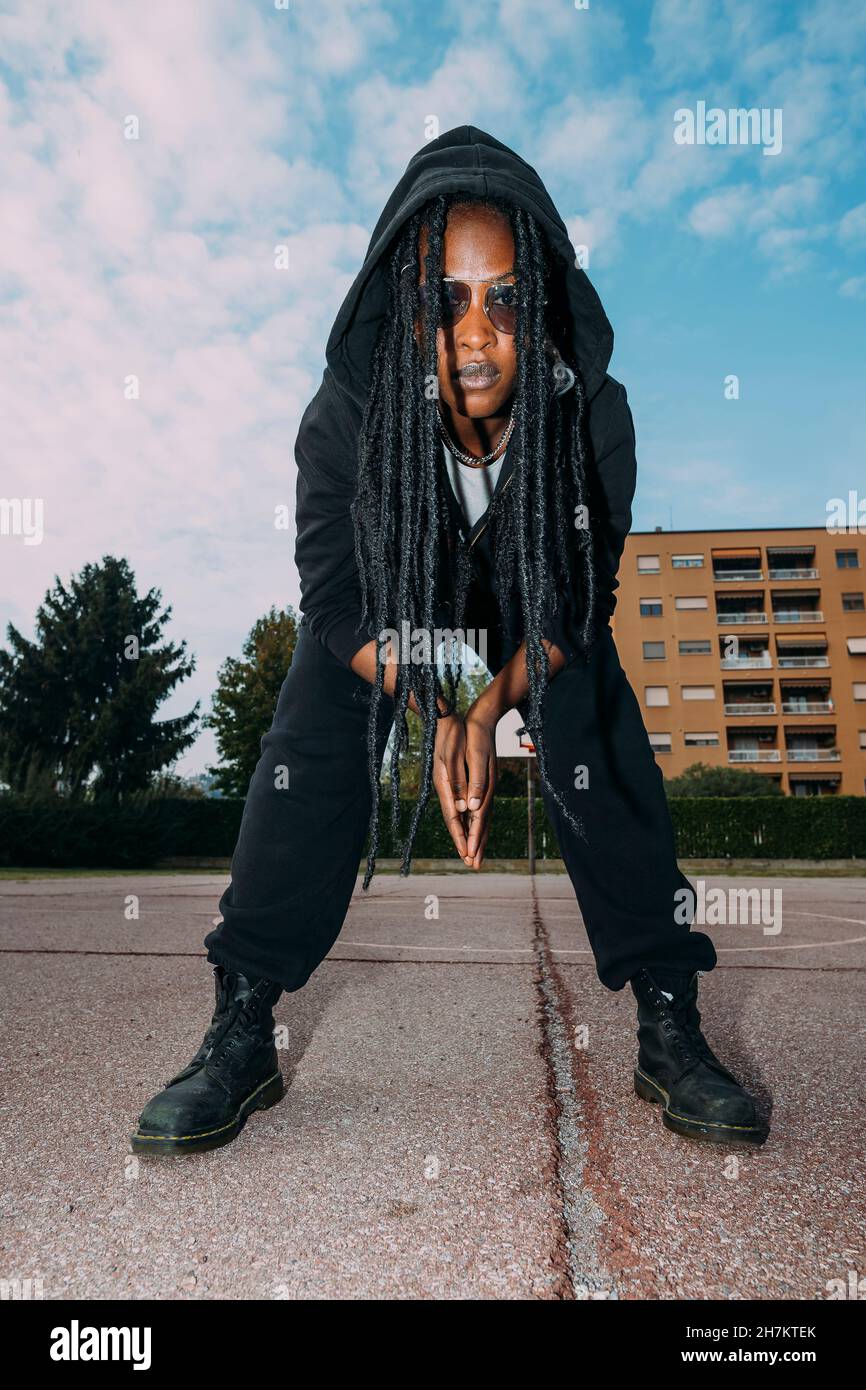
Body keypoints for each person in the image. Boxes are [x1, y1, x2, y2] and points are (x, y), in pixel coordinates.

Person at [131, 126, 766, 1155]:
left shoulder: (591, 418)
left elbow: (577, 607)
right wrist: (437, 697)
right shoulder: (346, 417)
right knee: (315, 708)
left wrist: (484, 704)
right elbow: (335, 607)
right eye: (446, 300)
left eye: (504, 298)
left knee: (590, 703)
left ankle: (666, 1016)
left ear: (541, 304)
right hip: (396, 620)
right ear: (405, 307)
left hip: (531, 623)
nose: (475, 335)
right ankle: (242, 1023)